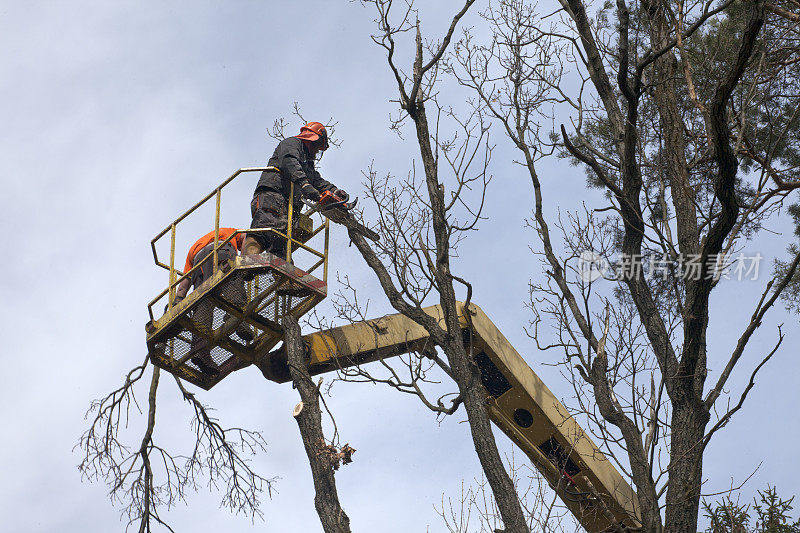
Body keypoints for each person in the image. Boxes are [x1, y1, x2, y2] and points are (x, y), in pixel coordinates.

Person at [242, 121, 348, 257]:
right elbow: (289, 162)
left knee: (281, 250)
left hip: (289, 206)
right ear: (311, 140)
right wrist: (304, 184)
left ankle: (283, 277)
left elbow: (317, 181)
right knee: (262, 233)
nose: (316, 152)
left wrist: (334, 191)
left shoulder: (307, 164)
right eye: (317, 147)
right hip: (274, 195)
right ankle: (246, 264)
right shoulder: (291, 144)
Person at [171, 228, 252, 375]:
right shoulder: (234, 232)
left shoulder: (196, 246)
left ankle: (199, 350)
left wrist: (177, 303)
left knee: (203, 302)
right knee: (233, 280)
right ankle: (238, 320)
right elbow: (248, 236)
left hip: (197, 262)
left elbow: (184, 285)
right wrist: (243, 260)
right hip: (221, 250)